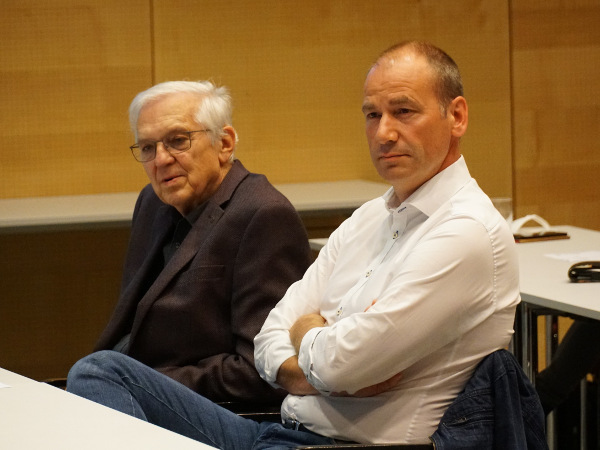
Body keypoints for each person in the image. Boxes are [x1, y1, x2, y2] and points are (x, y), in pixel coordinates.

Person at [67, 41, 520, 446]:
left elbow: (339, 364)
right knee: (99, 373)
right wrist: (321, 352)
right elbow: (271, 337)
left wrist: (307, 332)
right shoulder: (370, 217)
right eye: (372, 115)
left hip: (342, 443)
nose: (384, 132)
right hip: (281, 432)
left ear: (456, 116)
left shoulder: (466, 231)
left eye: (403, 111)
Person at [73, 80, 312, 405]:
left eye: (177, 141)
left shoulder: (264, 215)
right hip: (123, 380)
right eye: (147, 148)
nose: (160, 160)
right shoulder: (152, 202)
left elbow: (259, 369)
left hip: (210, 407)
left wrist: (146, 382)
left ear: (224, 143)